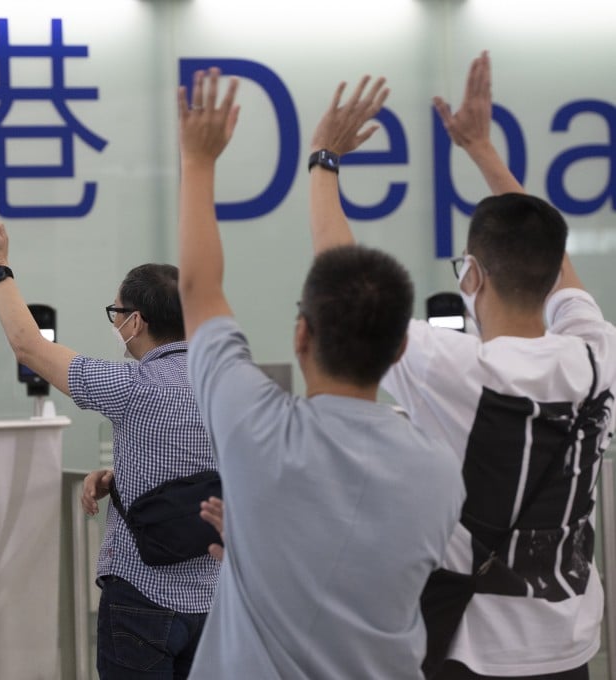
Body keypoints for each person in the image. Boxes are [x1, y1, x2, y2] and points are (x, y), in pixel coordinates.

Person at [310, 54, 616, 680]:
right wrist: (482, 151)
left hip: (475, 654)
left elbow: (345, 281)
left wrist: (323, 160)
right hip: (572, 647)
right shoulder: (598, 353)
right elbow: (548, 250)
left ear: (472, 276)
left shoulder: (456, 369)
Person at [176, 68, 464, 679]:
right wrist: (323, 161)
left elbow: (199, 289)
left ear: (300, 334)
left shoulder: (254, 432)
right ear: (396, 354)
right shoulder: (439, 472)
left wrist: (199, 162)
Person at [0, 208, 218, 678]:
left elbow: (29, 346)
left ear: (135, 322)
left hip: (144, 597)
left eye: (116, 313)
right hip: (215, 600)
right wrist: (124, 476)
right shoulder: (225, 383)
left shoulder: (132, 384)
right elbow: (206, 467)